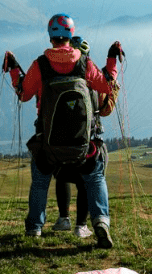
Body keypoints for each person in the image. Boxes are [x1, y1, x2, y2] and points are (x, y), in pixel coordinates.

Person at [2, 13, 124, 249]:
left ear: (51, 37)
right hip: (83, 146)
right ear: (71, 34)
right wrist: (111, 61)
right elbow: (107, 86)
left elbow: (24, 94)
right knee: (95, 176)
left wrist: (14, 69)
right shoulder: (84, 63)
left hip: (48, 146)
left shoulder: (41, 65)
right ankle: (101, 222)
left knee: (40, 180)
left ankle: (35, 228)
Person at [52, 36, 119, 239]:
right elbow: (106, 105)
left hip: (58, 145)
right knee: (86, 181)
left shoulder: (54, 79)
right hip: (87, 144)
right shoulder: (94, 80)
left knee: (62, 176)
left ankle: (63, 218)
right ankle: (82, 226)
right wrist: (112, 60)